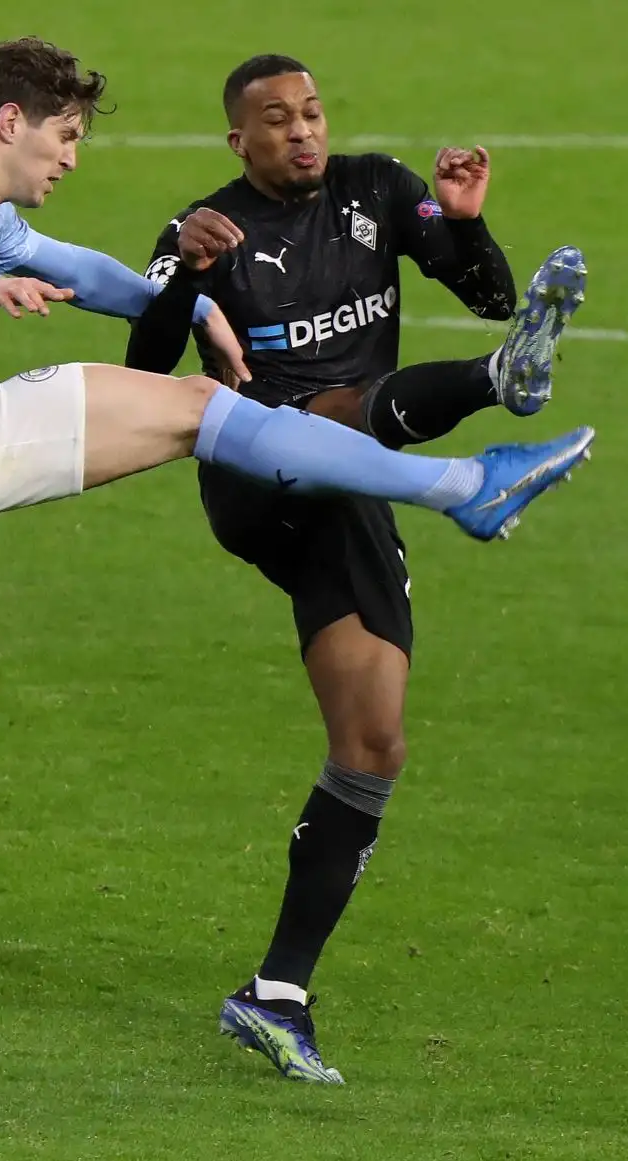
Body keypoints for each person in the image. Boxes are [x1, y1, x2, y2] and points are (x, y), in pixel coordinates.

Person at [0, 36, 595, 836]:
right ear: (12, 121)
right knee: (195, 405)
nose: (72, 160)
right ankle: (466, 486)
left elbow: (93, 276)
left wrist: (198, 306)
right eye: (67, 136)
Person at [123, 53, 586, 1084]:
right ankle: (491, 393)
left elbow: (491, 290)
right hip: (258, 476)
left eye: (313, 112)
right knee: (319, 415)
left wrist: (464, 222)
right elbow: (143, 375)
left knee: (373, 743)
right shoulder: (205, 228)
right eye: (276, 120)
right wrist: (189, 277)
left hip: (358, 493)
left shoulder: (377, 190)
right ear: (237, 141)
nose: (302, 131)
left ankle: (276, 993)